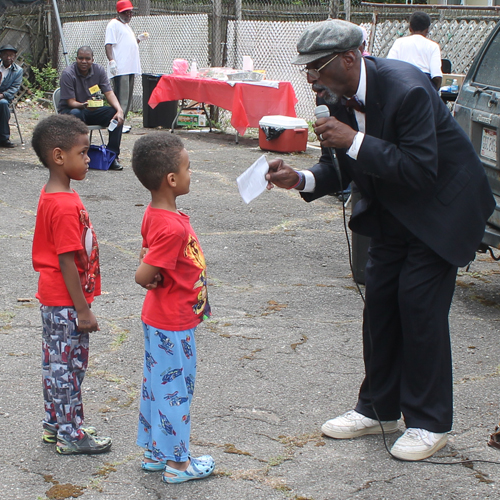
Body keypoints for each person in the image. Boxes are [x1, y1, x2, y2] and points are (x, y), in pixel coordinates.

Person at [266, 19, 495, 461]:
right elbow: (339, 165)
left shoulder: (406, 88)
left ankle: (429, 423)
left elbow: (419, 169)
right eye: (307, 69)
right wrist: (302, 178)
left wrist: (356, 140)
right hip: (392, 211)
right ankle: (378, 410)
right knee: (382, 306)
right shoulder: (334, 99)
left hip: (440, 209)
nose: (310, 78)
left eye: (316, 67)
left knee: (419, 308)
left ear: (349, 59)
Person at [132, 132, 215, 483]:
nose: (191, 173)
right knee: (175, 390)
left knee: (157, 386)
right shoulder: (170, 228)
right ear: (171, 179)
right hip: (172, 324)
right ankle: (178, 464)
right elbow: (143, 273)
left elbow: (147, 248)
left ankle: (156, 453)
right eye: (188, 167)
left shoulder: (159, 214)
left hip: (163, 319)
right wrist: (148, 273)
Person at [31, 114, 112, 455]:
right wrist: (83, 310)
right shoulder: (63, 205)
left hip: (58, 300)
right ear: (59, 156)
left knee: (58, 366)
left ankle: (57, 424)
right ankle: (71, 433)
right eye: (83, 153)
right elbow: (67, 260)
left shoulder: (54, 194)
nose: (89, 159)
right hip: (66, 303)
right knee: (69, 369)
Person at [58, 46, 124, 170]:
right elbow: (71, 102)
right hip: (71, 111)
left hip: (90, 109)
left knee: (115, 114)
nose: (84, 61)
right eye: (81, 58)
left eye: (87, 59)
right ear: (76, 59)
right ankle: (76, 156)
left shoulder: (98, 70)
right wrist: (84, 105)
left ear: (92, 60)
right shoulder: (68, 73)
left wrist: (120, 111)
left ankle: (112, 156)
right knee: (76, 113)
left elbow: (109, 92)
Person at [105, 0, 147, 131]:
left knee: (128, 98)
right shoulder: (113, 25)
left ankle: (122, 121)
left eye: (130, 12)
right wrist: (111, 60)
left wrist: (138, 39)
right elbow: (108, 44)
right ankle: (117, 122)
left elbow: (127, 44)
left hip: (130, 67)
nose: (129, 15)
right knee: (121, 97)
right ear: (119, 12)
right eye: (126, 12)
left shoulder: (127, 26)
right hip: (121, 67)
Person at [387, 11, 443, 90]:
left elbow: (389, 67)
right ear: (427, 30)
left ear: (410, 28)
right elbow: (437, 77)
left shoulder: (399, 43)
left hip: (402, 86)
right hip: (424, 88)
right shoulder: (433, 46)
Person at [0, 44, 23, 148]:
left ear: (14, 57)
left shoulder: (18, 70)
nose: (8, 58)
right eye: (6, 55)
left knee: (3, 104)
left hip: (5, 98)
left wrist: (2, 95)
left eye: (11, 55)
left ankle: (4, 138)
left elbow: (15, 88)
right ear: (1, 55)